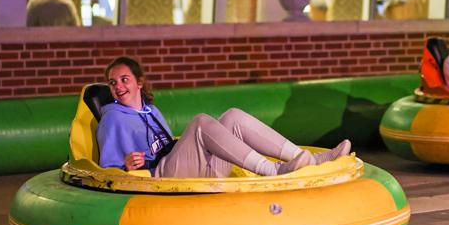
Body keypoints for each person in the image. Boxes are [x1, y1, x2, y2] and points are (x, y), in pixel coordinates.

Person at [97, 56, 352, 178]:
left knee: (233, 116)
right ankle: (273, 170)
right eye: (113, 82)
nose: (118, 86)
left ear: (139, 82)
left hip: (188, 169)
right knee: (199, 122)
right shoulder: (113, 119)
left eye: (124, 79)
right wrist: (124, 166)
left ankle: (309, 159)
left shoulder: (151, 111)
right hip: (161, 176)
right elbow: (105, 170)